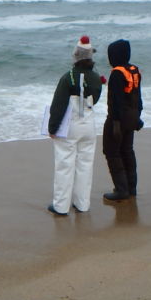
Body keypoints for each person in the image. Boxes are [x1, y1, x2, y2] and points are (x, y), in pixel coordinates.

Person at [46, 36, 103, 215]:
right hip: (89, 125)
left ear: (76, 56)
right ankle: (82, 203)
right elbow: (96, 99)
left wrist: (52, 127)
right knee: (85, 164)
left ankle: (61, 206)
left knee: (65, 164)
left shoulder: (68, 77)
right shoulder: (95, 78)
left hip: (70, 126)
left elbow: (58, 105)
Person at [101, 39, 144, 202]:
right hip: (132, 118)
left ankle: (121, 190)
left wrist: (116, 124)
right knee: (127, 151)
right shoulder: (134, 71)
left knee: (111, 152)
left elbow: (116, 102)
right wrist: (137, 117)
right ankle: (131, 188)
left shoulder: (117, 74)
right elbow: (138, 98)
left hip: (117, 120)